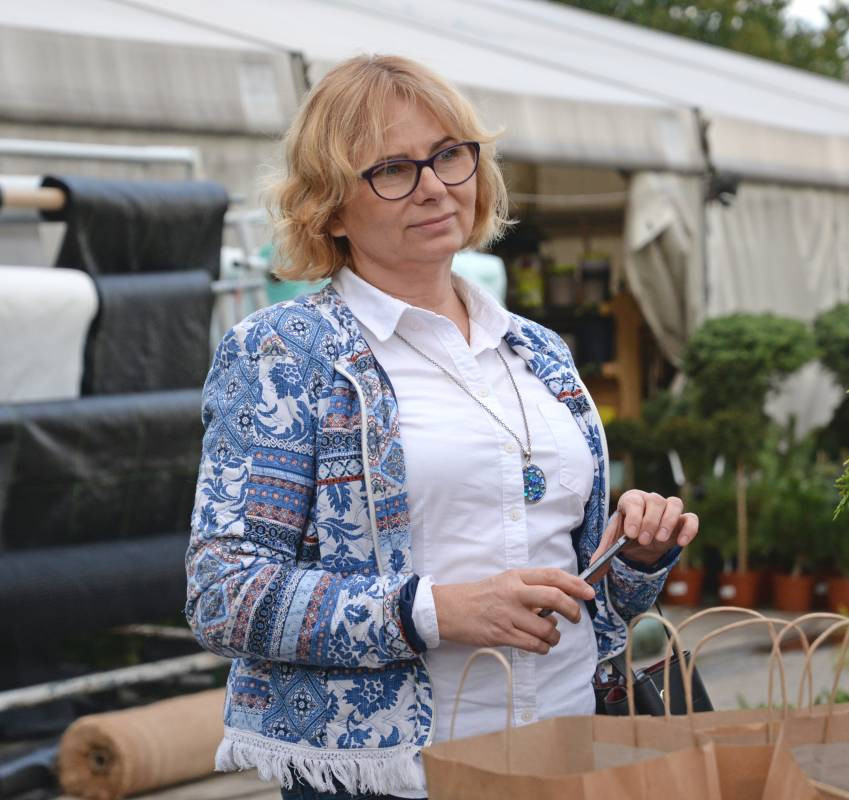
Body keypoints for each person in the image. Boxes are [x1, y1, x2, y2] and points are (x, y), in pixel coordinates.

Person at [185, 54, 699, 800]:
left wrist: (633, 557)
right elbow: (224, 593)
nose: (432, 185)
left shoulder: (537, 351)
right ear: (330, 208)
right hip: (400, 775)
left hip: (570, 745)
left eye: (449, 155)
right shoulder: (285, 353)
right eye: (392, 169)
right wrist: (438, 610)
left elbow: (582, 592)